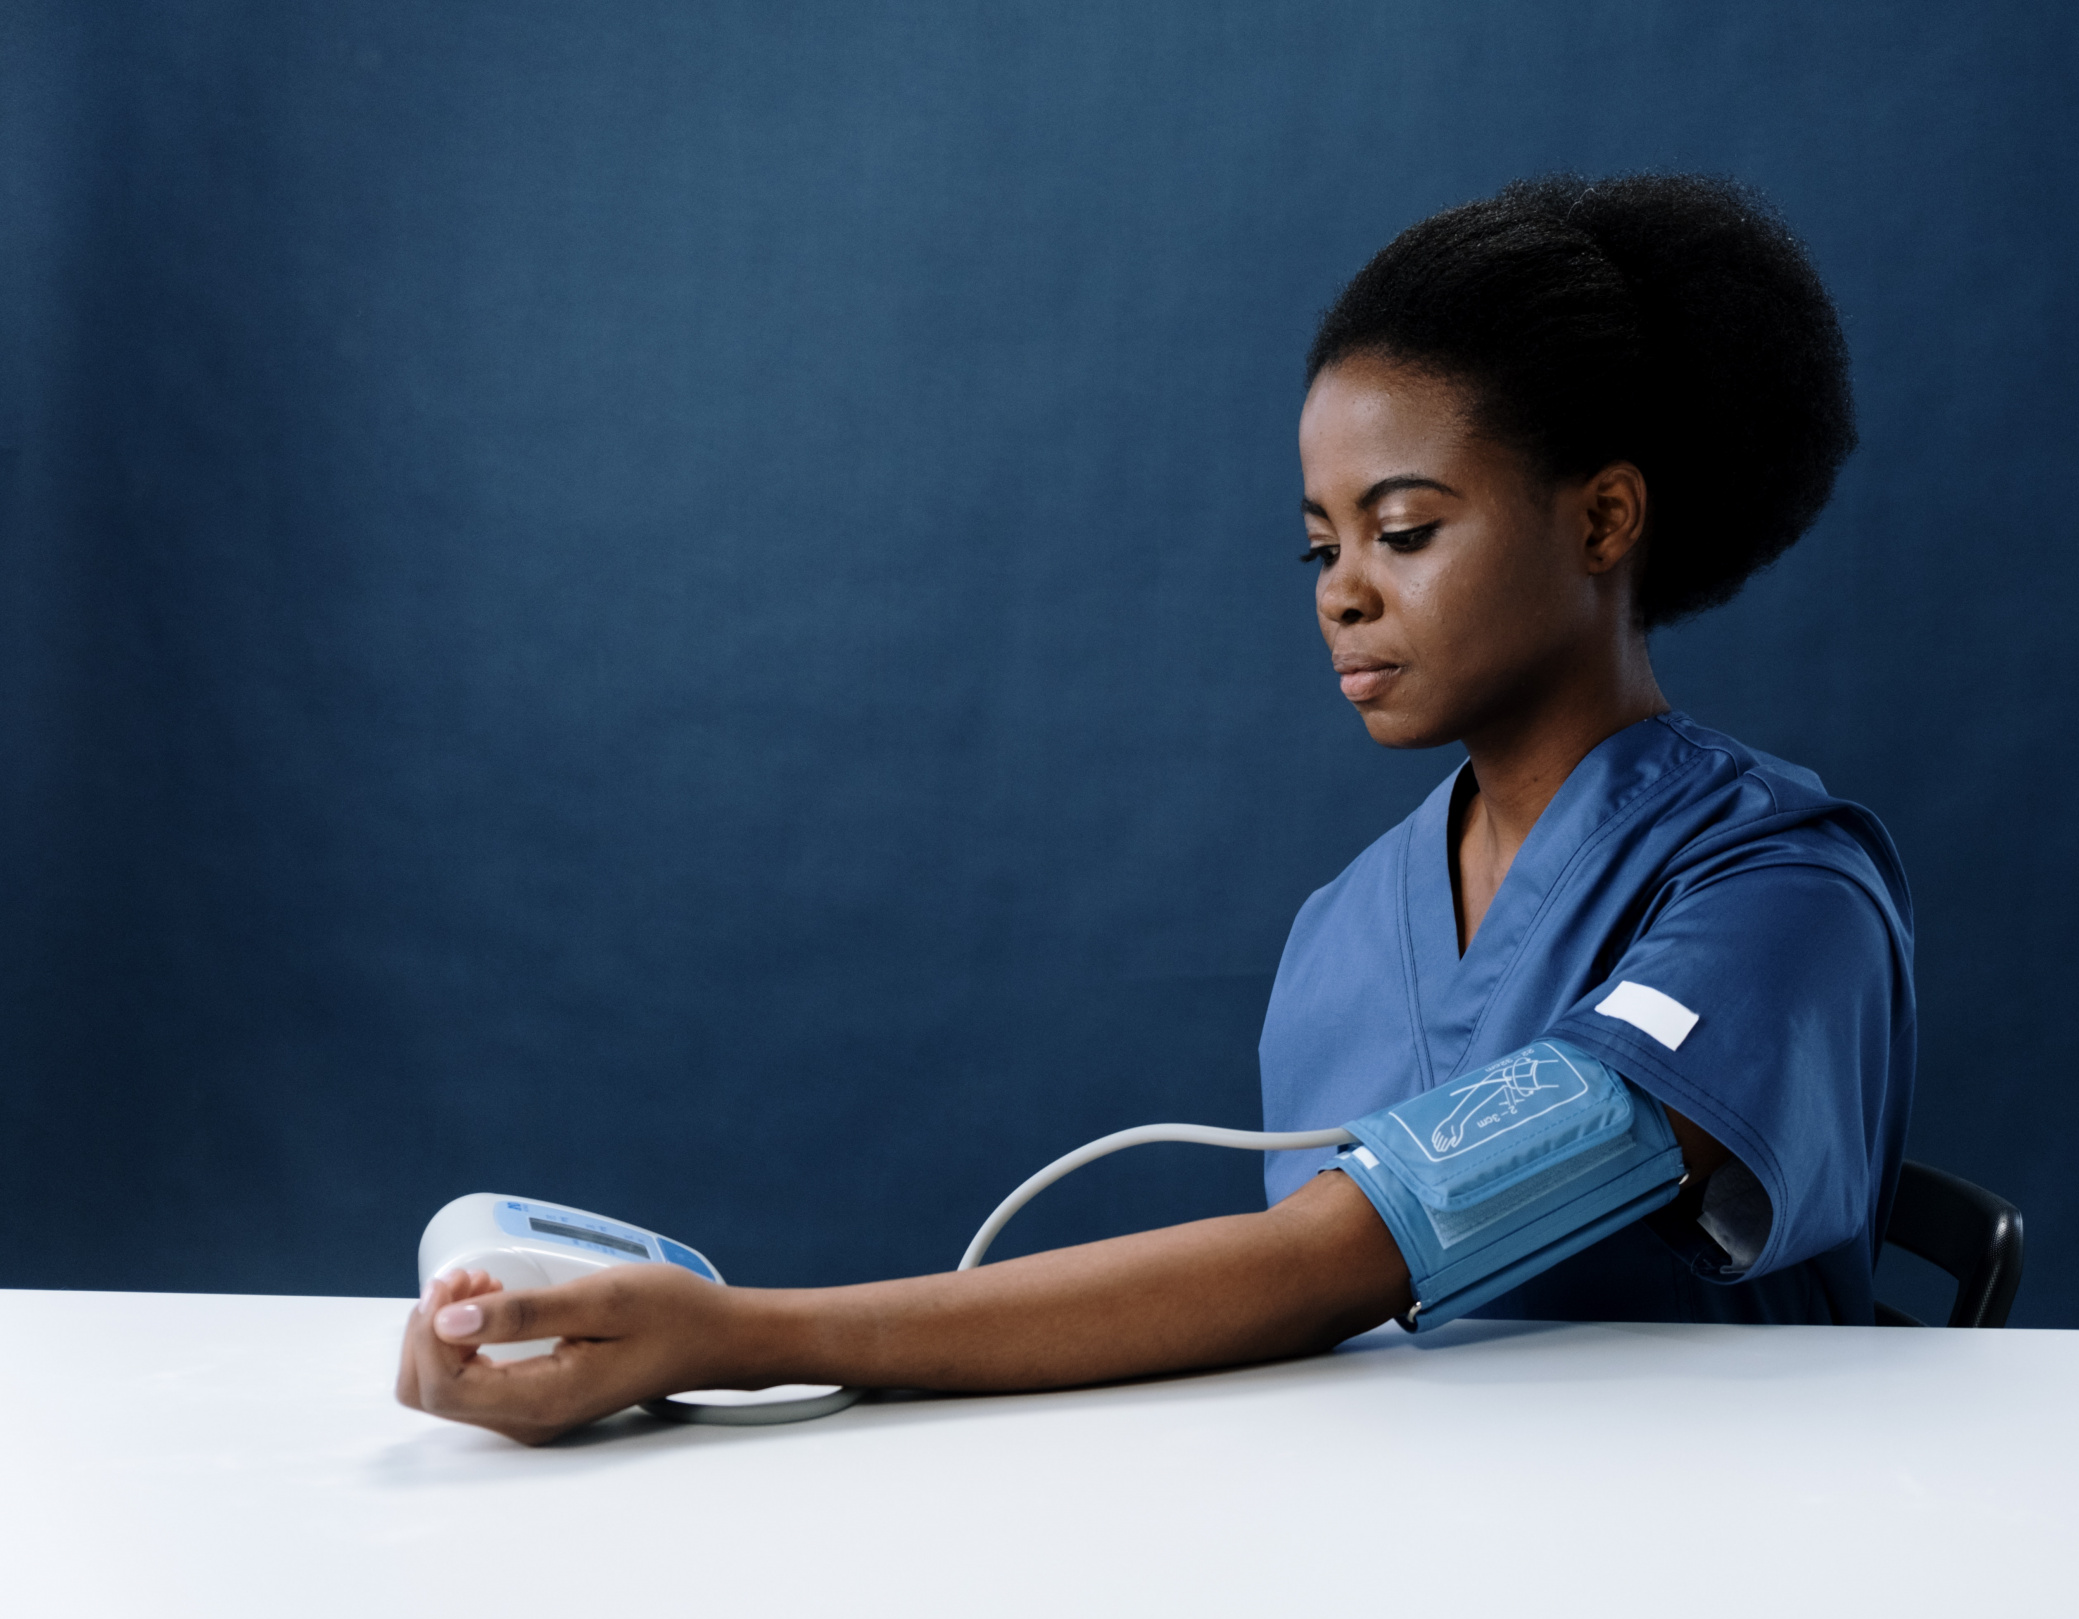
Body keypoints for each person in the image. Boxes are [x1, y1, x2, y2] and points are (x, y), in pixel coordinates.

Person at [400, 172, 1913, 1445]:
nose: (1345, 594)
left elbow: (1335, 1261)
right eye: (1318, 545)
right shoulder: (1344, 933)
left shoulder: (1778, 904)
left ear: (1602, 518)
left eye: (1405, 528)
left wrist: (731, 1337)